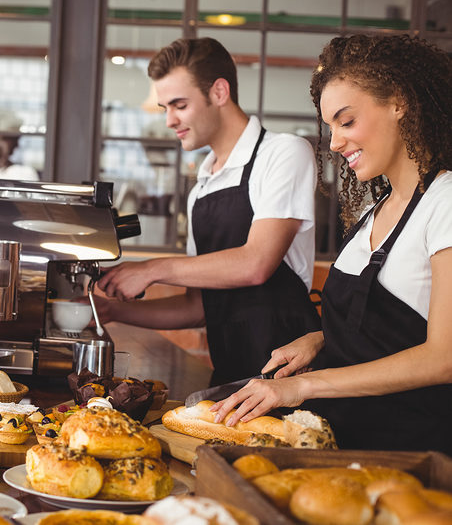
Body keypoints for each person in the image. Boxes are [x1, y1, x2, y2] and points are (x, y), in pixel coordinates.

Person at [209, 34, 452, 454]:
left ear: (399, 102)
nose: (335, 143)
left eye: (346, 121)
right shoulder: (373, 212)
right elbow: (388, 327)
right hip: (345, 446)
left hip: (412, 457)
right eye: (331, 127)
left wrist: (306, 385)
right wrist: (322, 340)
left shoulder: (445, 201)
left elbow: (442, 357)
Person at [96, 38, 321, 386]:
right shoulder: (202, 186)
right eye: (164, 106)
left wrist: (153, 269)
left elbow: (256, 264)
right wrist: (113, 311)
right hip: (229, 378)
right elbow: (198, 307)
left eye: (179, 105)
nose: (169, 120)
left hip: (289, 379)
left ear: (218, 92)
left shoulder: (284, 153)